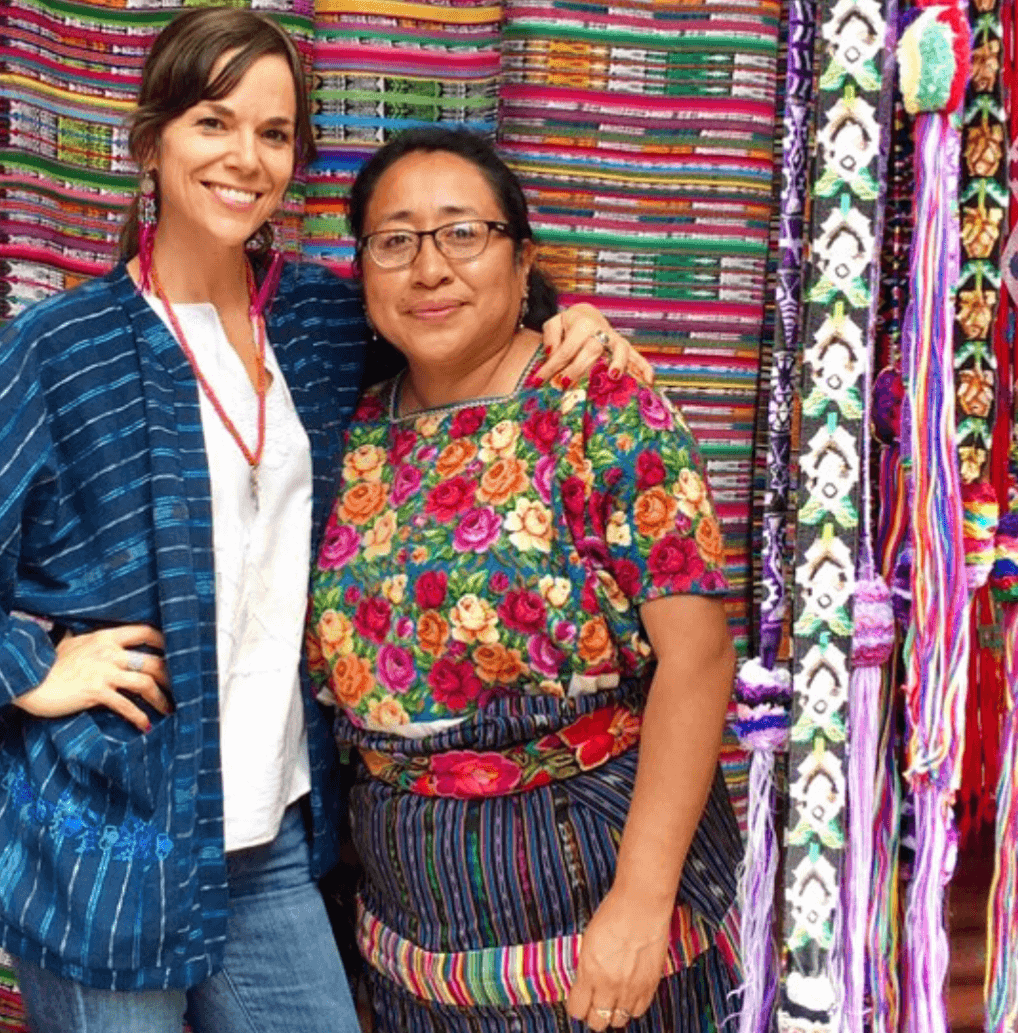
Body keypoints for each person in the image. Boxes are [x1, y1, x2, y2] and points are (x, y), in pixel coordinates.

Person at [0, 9, 644, 1033]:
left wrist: (559, 318)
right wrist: (31, 665)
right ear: (151, 142)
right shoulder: (63, 351)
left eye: (274, 134)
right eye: (213, 123)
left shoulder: (319, 323)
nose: (245, 158)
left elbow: (459, 321)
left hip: (269, 836)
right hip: (104, 841)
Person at [305, 126, 741, 1033]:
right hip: (406, 908)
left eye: (463, 233)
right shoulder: (346, 434)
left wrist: (639, 903)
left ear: (523, 258)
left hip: (587, 873)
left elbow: (697, 660)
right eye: (395, 240)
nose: (430, 268)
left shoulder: (599, 404)